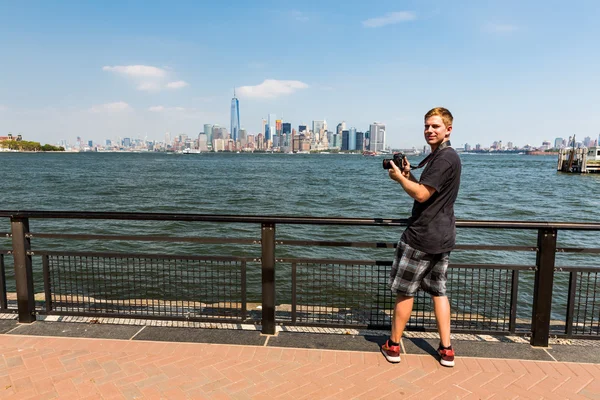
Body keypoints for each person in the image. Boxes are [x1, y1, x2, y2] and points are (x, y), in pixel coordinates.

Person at [380, 107, 461, 367]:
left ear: (448, 129)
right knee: (439, 292)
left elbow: (422, 196)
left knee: (405, 292)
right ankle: (446, 350)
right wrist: (408, 176)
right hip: (443, 236)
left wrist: (398, 180)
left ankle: (393, 346)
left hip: (421, 236)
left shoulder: (444, 159)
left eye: (435, 126)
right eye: (427, 126)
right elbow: (428, 190)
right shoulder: (442, 157)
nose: (429, 130)